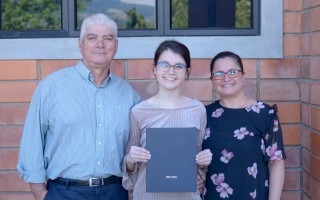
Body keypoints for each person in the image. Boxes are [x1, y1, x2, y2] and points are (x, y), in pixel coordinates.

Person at [17, 13, 141, 200]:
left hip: (113, 192)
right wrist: (39, 192)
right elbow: (32, 141)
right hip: (64, 192)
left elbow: (140, 145)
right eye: (92, 38)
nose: (100, 44)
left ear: (116, 45)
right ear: (80, 44)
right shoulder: (52, 87)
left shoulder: (129, 95)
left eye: (107, 38)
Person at [122, 40, 212, 200]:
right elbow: (130, 170)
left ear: (187, 72)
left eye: (179, 66)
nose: (171, 71)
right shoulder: (139, 112)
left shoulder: (198, 110)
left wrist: (203, 163)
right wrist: (130, 159)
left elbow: (197, 162)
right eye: (165, 65)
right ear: (154, 69)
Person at [202, 51, 286, 200]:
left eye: (232, 72)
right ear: (212, 80)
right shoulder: (204, 115)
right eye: (219, 74)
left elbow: (276, 163)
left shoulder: (265, 114)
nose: (226, 78)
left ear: (243, 76)